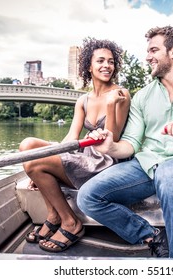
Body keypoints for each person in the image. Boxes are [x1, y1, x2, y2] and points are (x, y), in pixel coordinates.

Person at [77, 26, 173, 258]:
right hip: (146, 166)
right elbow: (130, 144)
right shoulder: (142, 97)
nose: (147, 56)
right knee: (87, 196)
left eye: (153, 50)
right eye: (147, 51)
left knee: (169, 172)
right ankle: (150, 234)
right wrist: (110, 146)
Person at [19, 38, 131, 253]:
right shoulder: (83, 100)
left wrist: (110, 105)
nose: (106, 66)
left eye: (111, 61)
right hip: (84, 152)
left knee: (36, 162)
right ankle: (54, 214)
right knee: (28, 145)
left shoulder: (120, 95)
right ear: (89, 66)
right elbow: (71, 138)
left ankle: (70, 222)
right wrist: (41, 166)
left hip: (105, 159)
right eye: (100, 61)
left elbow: (112, 138)